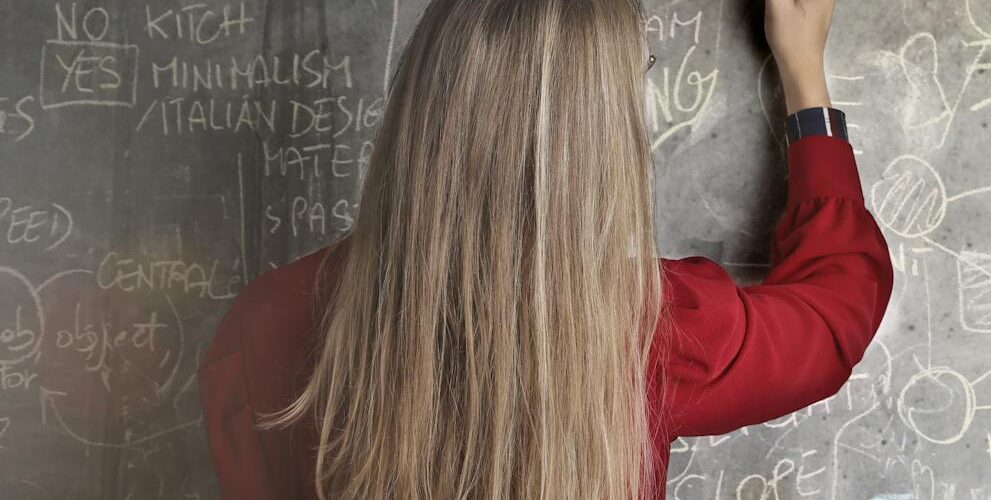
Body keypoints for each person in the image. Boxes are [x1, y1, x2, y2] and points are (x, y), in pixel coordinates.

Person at [196, 0, 890, 497]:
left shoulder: (262, 329)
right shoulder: (651, 327)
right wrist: (805, 80)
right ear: (602, 130)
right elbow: (833, 313)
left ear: (426, 98)